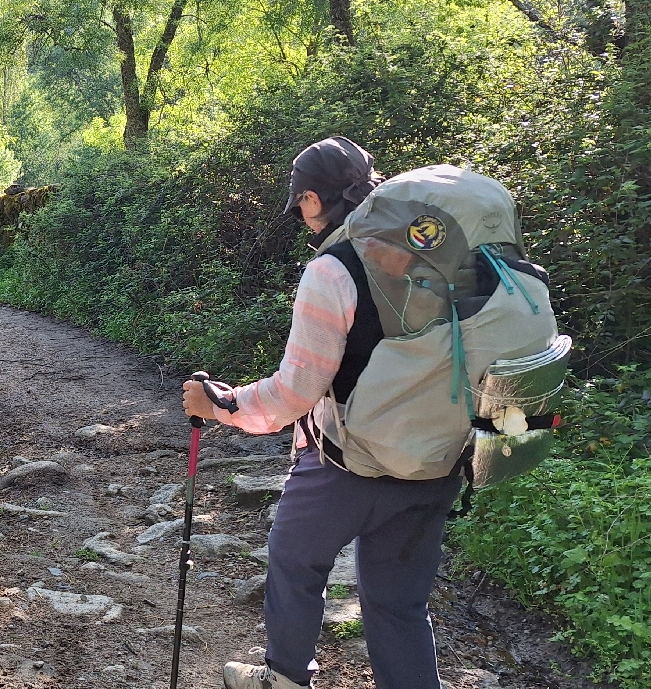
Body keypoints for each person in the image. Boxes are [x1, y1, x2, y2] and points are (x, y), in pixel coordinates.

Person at [182, 136, 463, 689]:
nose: (301, 216)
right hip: (436, 460)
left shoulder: (333, 270)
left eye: (300, 205)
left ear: (311, 199)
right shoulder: (438, 254)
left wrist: (224, 404)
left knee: (294, 560)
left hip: (346, 464)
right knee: (399, 604)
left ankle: (284, 678)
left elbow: (296, 393)